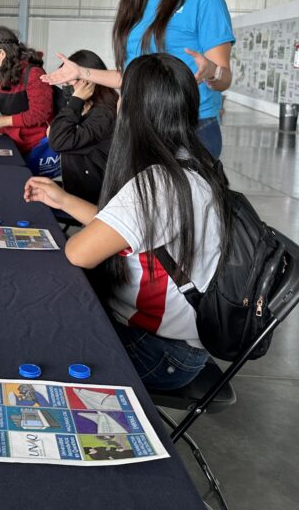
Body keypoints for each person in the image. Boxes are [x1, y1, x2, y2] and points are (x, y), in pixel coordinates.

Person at [24, 53, 229, 391]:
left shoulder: (156, 185)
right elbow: (122, 229)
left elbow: (78, 252)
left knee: (39, 327)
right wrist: (62, 200)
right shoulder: (190, 163)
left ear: (133, 111)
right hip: (184, 342)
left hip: (160, 352)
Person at [43, 0, 235, 158]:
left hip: (188, 129)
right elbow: (131, 77)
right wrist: (81, 72)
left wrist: (210, 72)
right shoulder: (137, 6)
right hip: (141, 127)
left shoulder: (204, 0)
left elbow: (224, 78)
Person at [0, 27, 57, 172]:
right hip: (14, 141)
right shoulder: (7, 70)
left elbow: (39, 113)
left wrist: (3, 121)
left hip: (33, 146)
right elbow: (0, 91)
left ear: (2, 53)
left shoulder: (34, 74)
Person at [47, 49, 117, 205]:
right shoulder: (87, 107)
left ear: (88, 81)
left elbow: (57, 140)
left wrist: (76, 100)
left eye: (69, 81)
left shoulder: (104, 115)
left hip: (93, 200)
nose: (66, 88)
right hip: (77, 189)